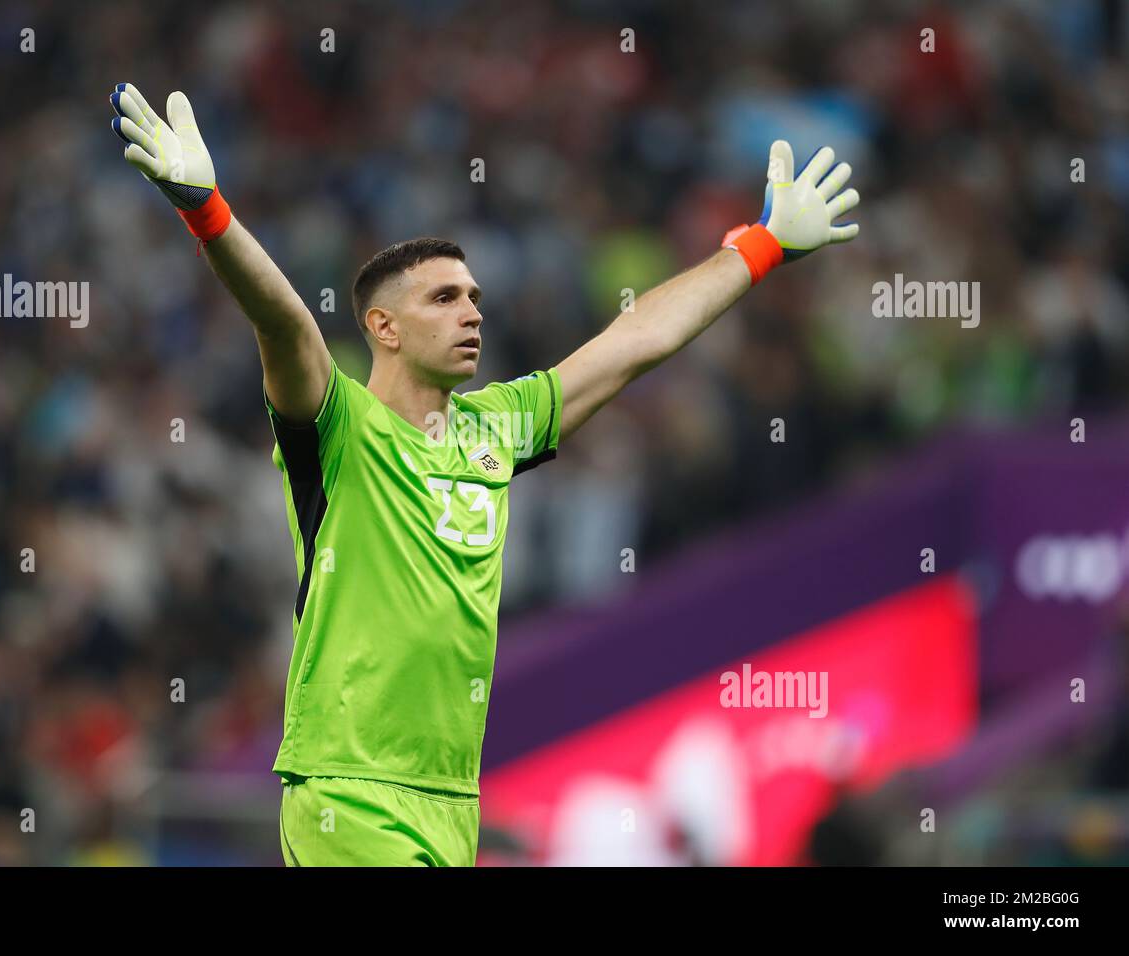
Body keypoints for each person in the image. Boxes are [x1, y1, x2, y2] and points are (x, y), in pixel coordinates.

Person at [109, 82, 860, 866]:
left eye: (473, 298)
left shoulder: (497, 425)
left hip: (453, 798)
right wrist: (208, 212)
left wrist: (761, 247)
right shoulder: (339, 428)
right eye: (443, 298)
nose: (471, 313)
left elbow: (637, 340)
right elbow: (286, 324)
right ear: (383, 327)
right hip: (350, 790)